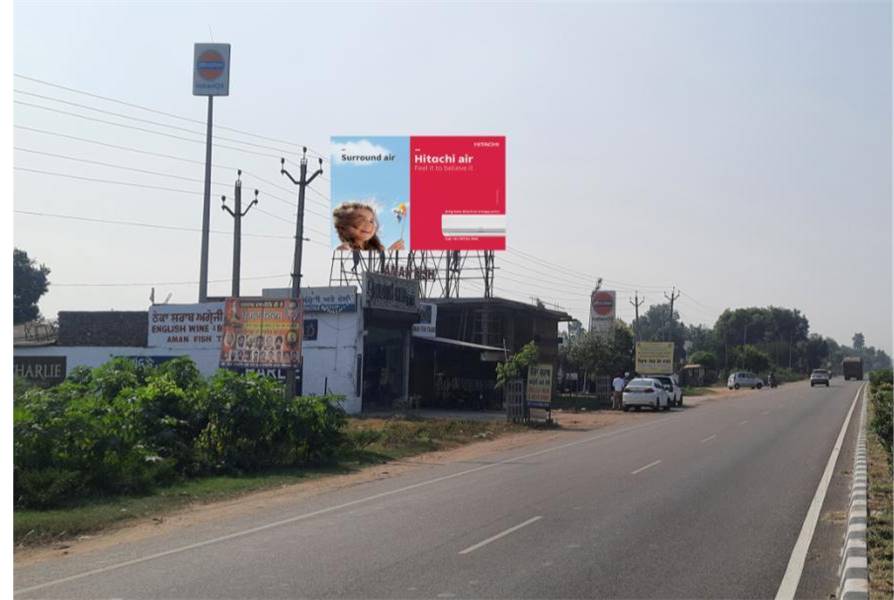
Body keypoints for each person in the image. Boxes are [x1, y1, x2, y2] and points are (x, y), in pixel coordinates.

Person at [333, 202, 404, 251]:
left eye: (371, 221)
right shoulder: (344, 250)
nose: (369, 225)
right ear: (343, 226)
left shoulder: (379, 249)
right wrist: (388, 256)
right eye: (361, 220)